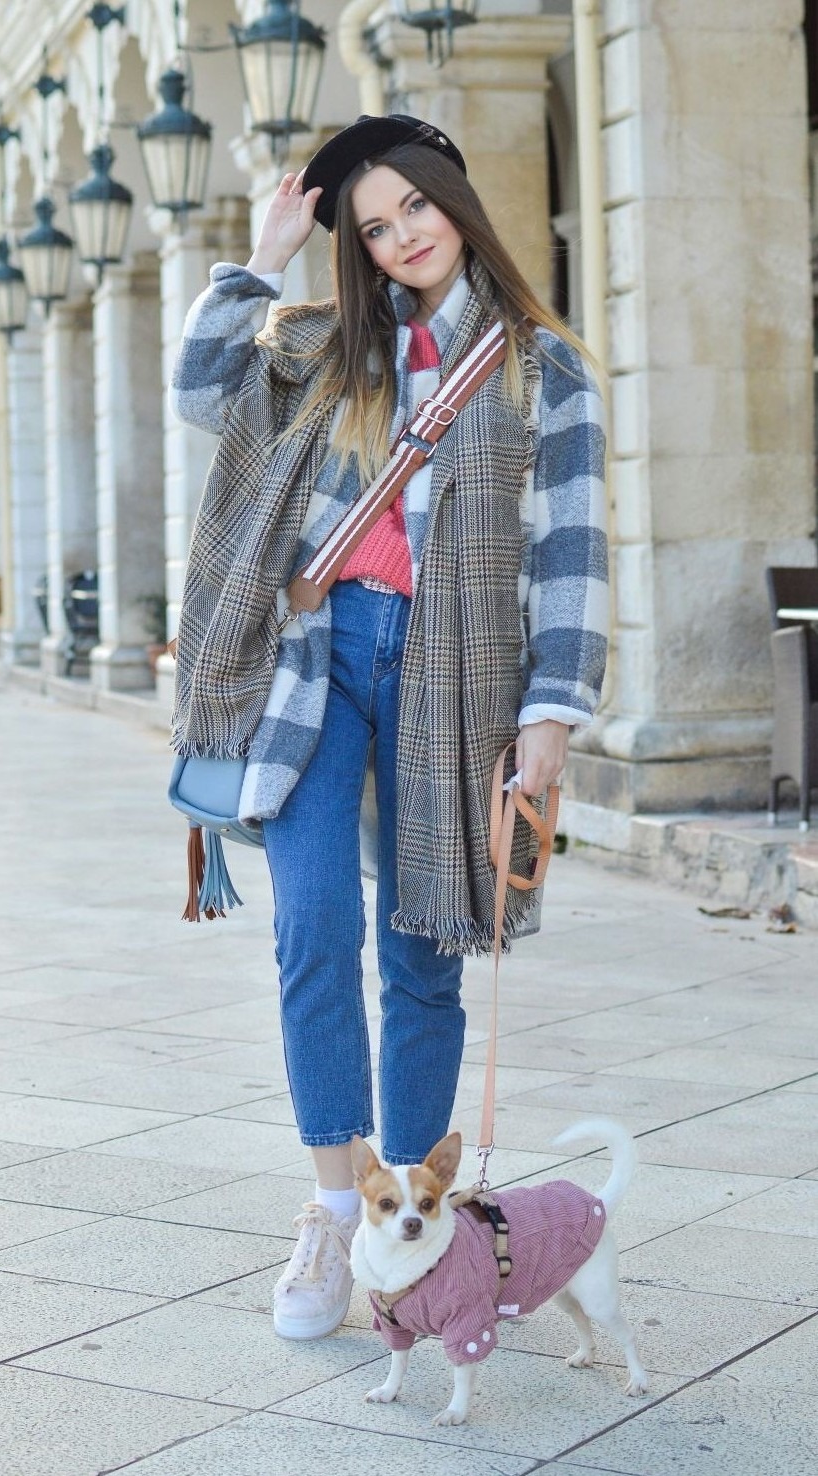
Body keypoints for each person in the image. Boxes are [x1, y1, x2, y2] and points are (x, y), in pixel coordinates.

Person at [169, 114, 608, 1343]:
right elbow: (203, 389)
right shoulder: (324, 345)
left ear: (454, 203)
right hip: (321, 659)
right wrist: (260, 252)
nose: (401, 235)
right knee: (313, 930)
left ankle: (419, 1220)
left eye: (413, 207)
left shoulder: (539, 365)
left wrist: (553, 713)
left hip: (458, 681)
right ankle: (334, 1208)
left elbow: (572, 550)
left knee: (423, 949)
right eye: (372, 226)